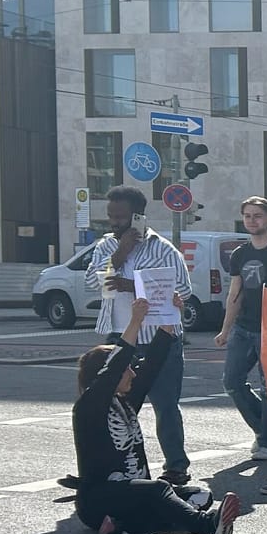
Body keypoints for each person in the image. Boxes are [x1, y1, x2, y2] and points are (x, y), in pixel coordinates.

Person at [68, 296, 240, 534]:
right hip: (98, 500)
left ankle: (124, 525)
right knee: (159, 491)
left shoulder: (125, 402)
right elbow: (115, 365)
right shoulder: (88, 407)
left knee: (199, 496)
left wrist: (170, 318)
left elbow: (153, 364)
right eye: (128, 368)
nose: (132, 372)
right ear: (106, 375)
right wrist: (135, 321)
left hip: (131, 495)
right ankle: (209, 526)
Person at [86, 186, 193, 486]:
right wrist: (120, 254)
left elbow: (183, 291)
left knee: (165, 405)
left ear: (136, 216)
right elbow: (91, 282)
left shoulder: (163, 249)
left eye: (120, 217)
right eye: (110, 216)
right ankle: (108, 466)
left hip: (158, 337)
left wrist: (132, 285)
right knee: (108, 406)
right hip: (118, 336)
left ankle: (176, 467)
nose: (113, 222)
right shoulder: (106, 246)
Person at [213, 197, 267, 497]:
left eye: (258, 216)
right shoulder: (240, 254)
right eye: (248, 216)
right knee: (231, 381)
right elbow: (235, 292)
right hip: (243, 328)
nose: (252, 221)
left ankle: (266, 443)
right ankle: (263, 431)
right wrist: (225, 329)